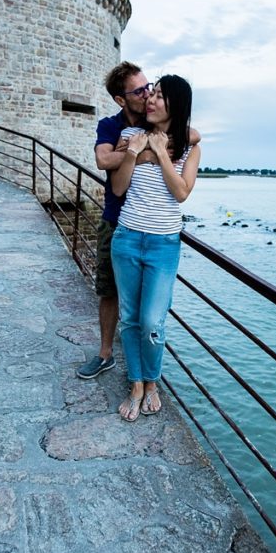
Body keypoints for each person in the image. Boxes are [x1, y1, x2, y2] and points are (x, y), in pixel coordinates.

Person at [76, 62, 199, 379]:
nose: (147, 95)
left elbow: (191, 134)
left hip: (157, 232)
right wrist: (142, 153)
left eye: (150, 88)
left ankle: (147, 378)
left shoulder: (153, 121)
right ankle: (107, 355)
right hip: (117, 221)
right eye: (140, 91)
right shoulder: (113, 126)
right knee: (109, 291)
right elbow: (104, 160)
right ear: (121, 99)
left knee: (149, 316)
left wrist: (157, 146)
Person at [111, 75, 201, 421]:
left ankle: (153, 380)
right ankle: (138, 384)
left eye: (160, 96)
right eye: (151, 94)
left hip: (164, 244)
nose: (150, 100)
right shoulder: (129, 137)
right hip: (128, 237)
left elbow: (181, 192)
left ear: (175, 105)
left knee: (152, 322)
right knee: (130, 318)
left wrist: (163, 154)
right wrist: (132, 154)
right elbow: (118, 189)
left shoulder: (191, 147)